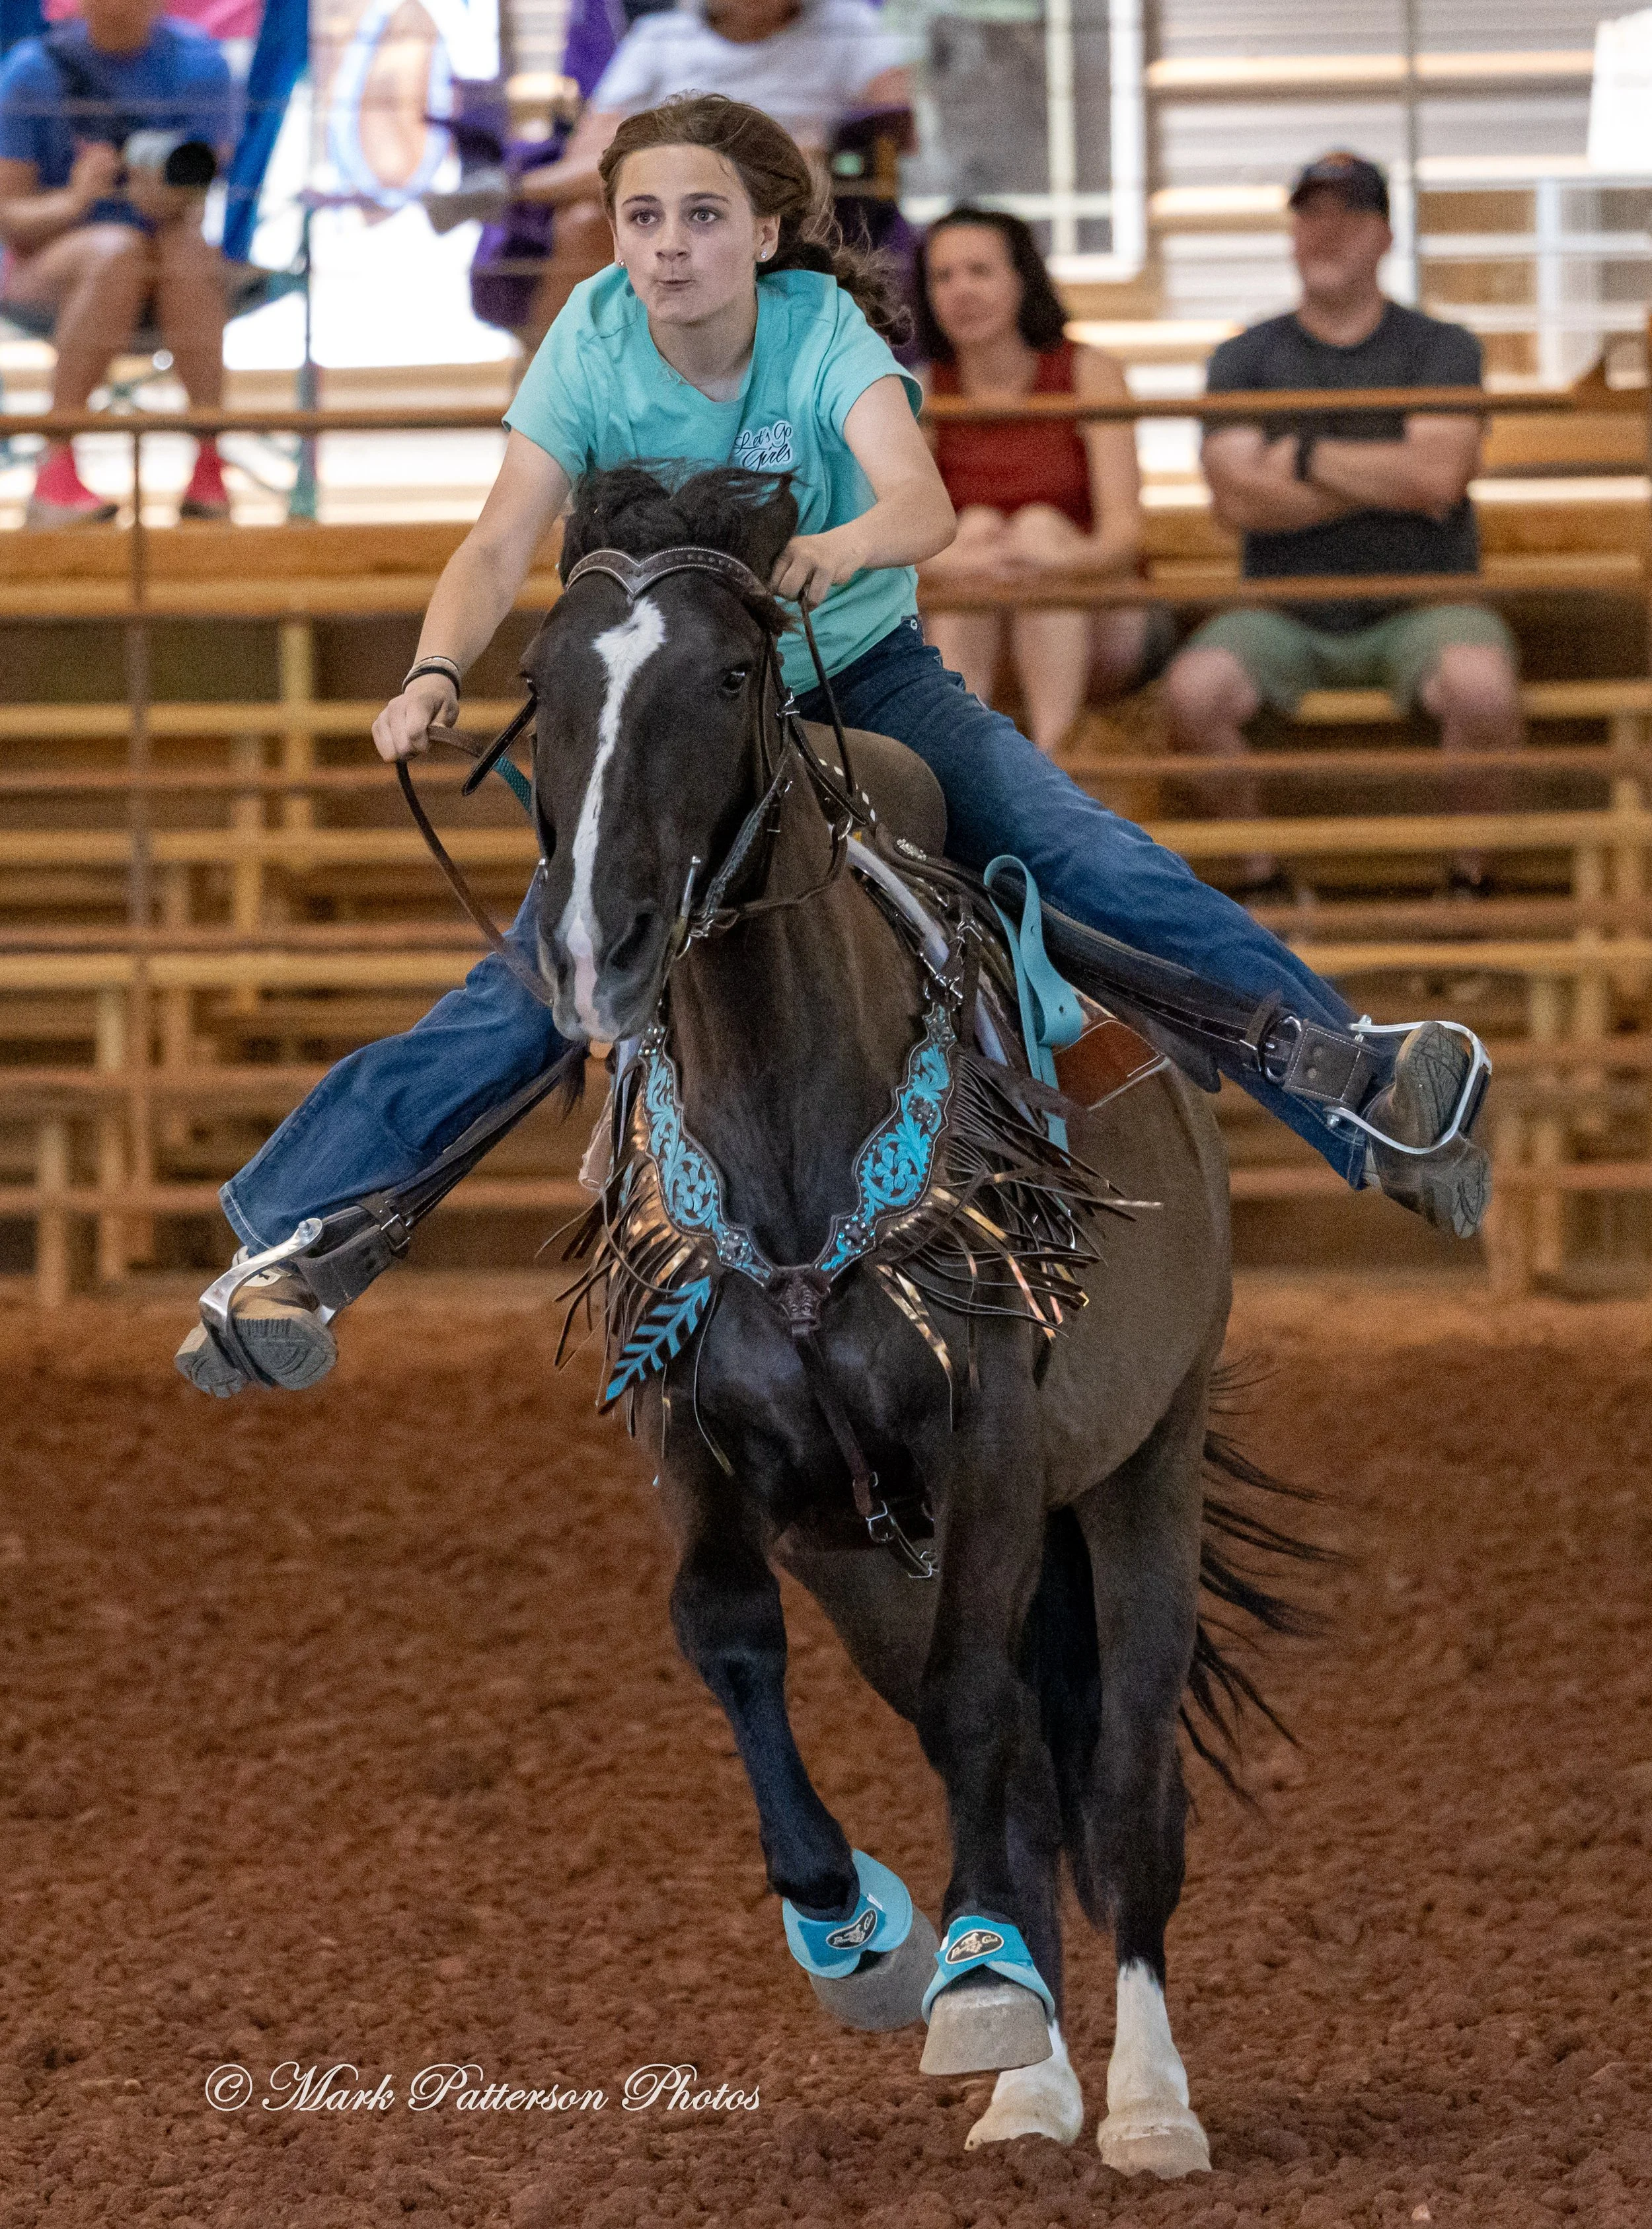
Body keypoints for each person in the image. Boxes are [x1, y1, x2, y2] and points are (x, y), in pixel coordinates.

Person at [172, 94, 1490, 1398]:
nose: (669, 244)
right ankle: (297, 1246)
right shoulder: (588, 336)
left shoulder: (818, 330)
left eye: (703, 216)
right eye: (643, 217)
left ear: (764, 234)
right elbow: (497, 539)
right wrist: (432, 667)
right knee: (548, 965)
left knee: (1079, 851)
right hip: (685, 723)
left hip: (864, 684)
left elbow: (919, 500)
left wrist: (847, 545)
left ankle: (1349, 1076)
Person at [1162, 150, 1522, 893]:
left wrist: (1298, 456)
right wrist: (1391, 475)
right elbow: (1237, 500)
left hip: (1429, 603)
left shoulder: (1442, 347)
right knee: (1191, 694)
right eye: (1310, 214)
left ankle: (1468, 883)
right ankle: (1263, 879)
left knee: (1482, 688)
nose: (1325, 232)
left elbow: (1438, 477)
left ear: (1385, 234)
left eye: (1348, 214)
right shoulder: (1242, 357)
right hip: (1281, 610)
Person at [914, 206, 1170, 755]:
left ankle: (1054, 760)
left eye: (980, 271)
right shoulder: (923, 391)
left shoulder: (1090, 373)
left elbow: (1123, 537)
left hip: (1099, 608)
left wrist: (1052, 561)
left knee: (1036, 526)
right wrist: (967, 562)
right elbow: (902, 545)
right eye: (943, 277)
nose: (961, 291)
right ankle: (967, 761)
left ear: (1022, 280)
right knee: (974, 528)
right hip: (973, 605)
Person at [510, 0, 909, 346]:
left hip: (789, 185)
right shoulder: (659, 36)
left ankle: (513, 190)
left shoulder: (849, 25)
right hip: (666, 180)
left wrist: (828, 145)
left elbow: (900, 127)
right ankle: (557, 375)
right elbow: (593, 150)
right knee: (585, 219)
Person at [0, 0, 236, 527]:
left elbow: (201, 194)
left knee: (183, 249)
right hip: (52, 265)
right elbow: (9, 216)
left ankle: (208, 461)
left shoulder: (202, 66)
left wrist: (168, 199)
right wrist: (76, 200)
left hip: (168, 267)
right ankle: (56, 467)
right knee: (118, 250)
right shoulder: (32, 71)